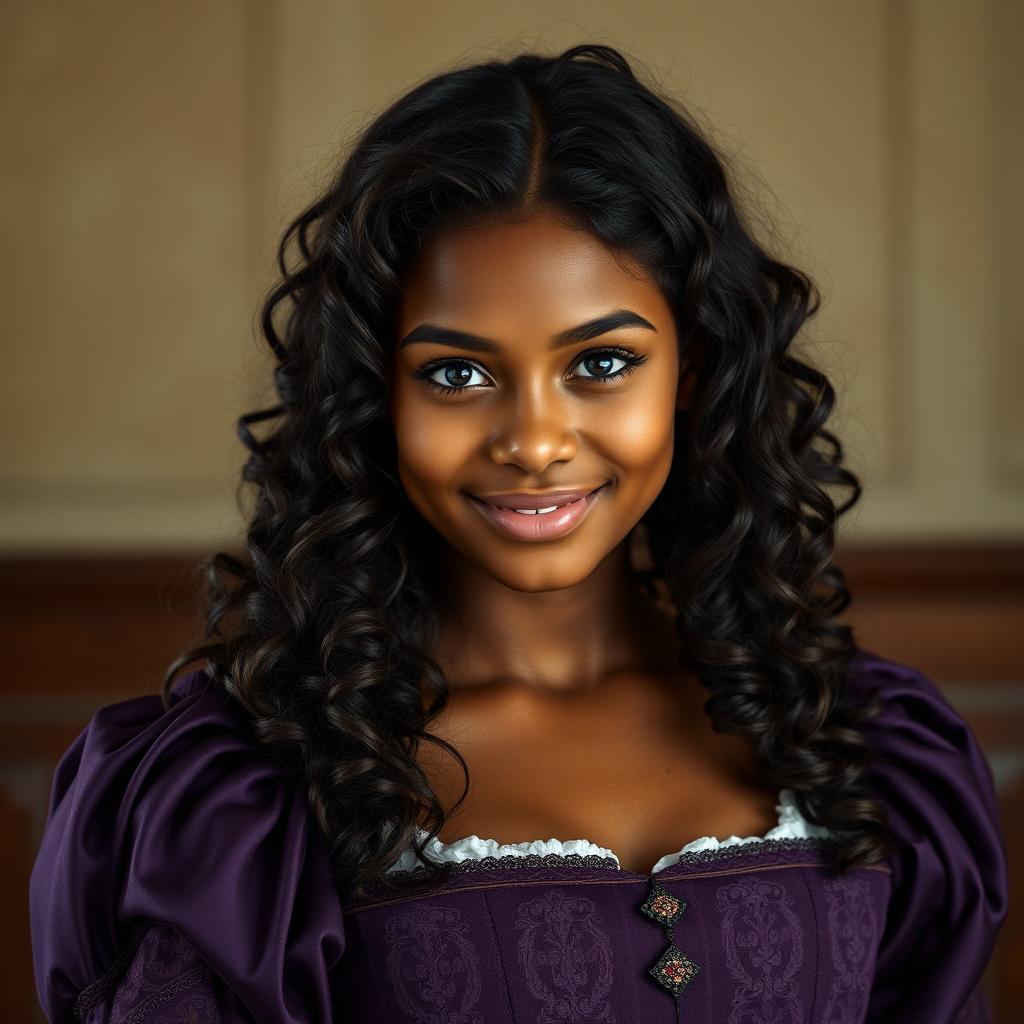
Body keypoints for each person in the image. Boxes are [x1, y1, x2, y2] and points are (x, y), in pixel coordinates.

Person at [29, 44, 1007, 1023]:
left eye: (602, 363)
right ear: (376, 397)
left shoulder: (872, 750)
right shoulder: (230, 804)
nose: (534, 442)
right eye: (458, 373)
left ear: (696, 371)